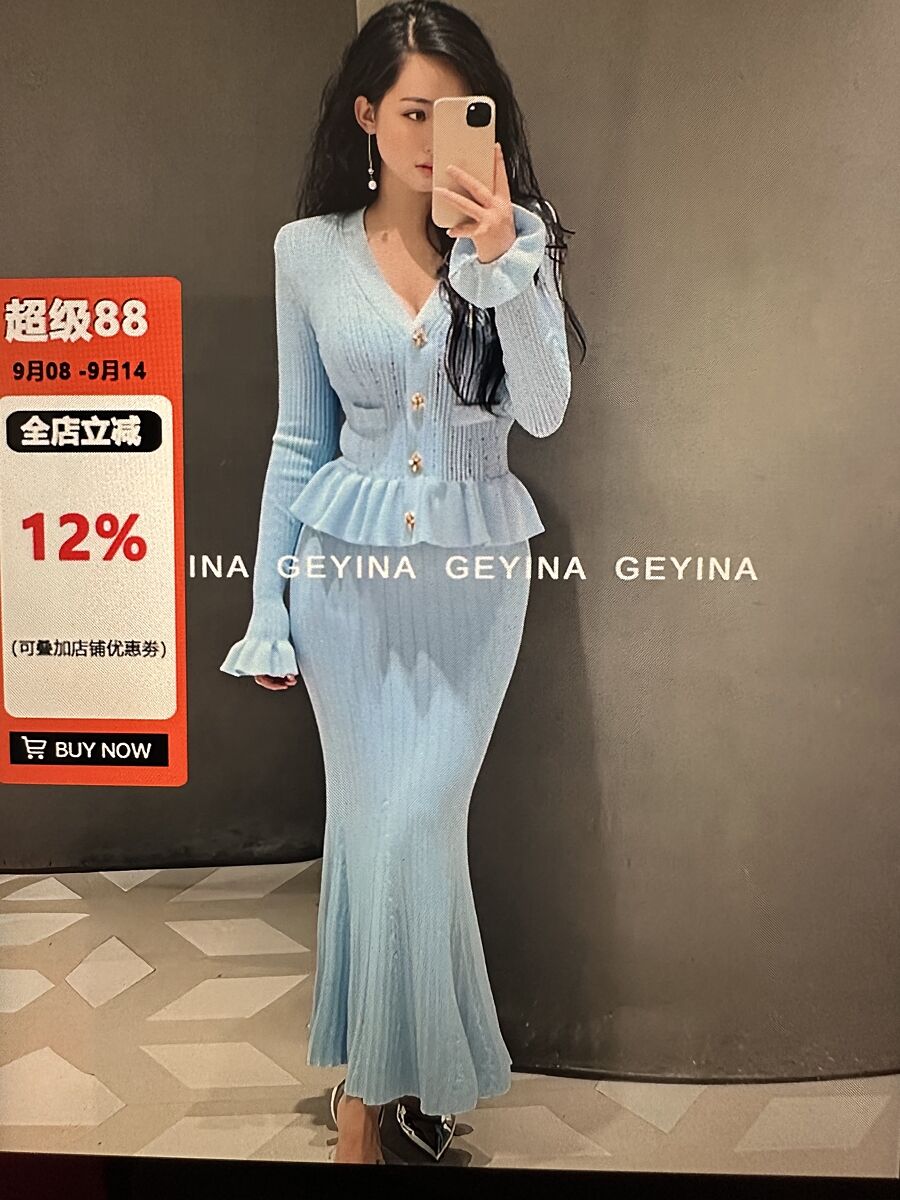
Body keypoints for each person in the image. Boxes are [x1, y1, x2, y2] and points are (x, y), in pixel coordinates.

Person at [220, 0, 585, 1167]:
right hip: (344, 580)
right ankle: (384, 1100)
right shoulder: (307, 251)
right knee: (372, 827)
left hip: (475, 580)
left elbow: (544, 411)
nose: (433, 136)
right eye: (412, 112)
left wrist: (505, 262)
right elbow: (297, 441)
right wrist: (268, 608)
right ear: (368, 115)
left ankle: (374, 1089)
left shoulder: (517, 241)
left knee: (419, 821)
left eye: (457, 111)